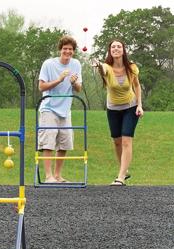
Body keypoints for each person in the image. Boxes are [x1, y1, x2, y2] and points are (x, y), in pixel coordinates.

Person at [93, 39, 144, 186]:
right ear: (110, 51)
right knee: (117, 141)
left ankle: (120, 177)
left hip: (130, 106)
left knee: (126, 140)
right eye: (113, 47)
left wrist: (139, 105)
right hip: (113, 108)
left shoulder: (132, 67)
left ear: (123, 50)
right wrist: (98, 66)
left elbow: (136, 85)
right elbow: (103, 70)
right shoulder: (106, 67)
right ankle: (125, 169)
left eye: (119, 46)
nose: (116, 48)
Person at [38, 35, 82, 183]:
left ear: (73, 51)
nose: (67, 51)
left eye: (70, 49)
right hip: (49, 107)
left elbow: (78, 89)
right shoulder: (49, 64)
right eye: (65, 49)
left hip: (65, 108)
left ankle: (57, 175)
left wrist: (74, 82)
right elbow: (41, 87)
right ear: (60, 49)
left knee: (65, 142)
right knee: (49, 142)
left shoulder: (76, 64)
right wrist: (59, 79)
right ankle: (48, 176)